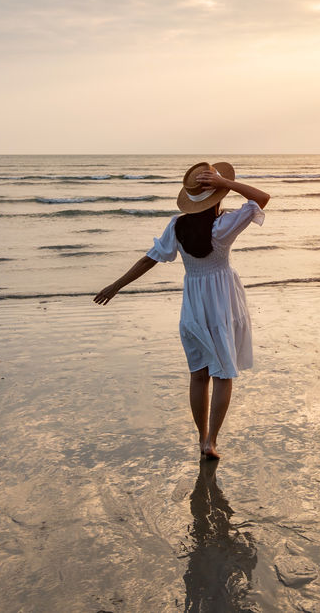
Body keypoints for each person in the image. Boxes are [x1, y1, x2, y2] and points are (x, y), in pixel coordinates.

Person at [94, 161, 270, 460]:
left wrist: (116, 285)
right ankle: (211, 442)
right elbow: (261, 198)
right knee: (223, 374)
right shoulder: (224, 225)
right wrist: (224, 182)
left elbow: (149, 259)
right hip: (222, 301)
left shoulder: (177, 225)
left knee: (198, 374)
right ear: (217, 195)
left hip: (193, 304)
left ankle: (202, 437)